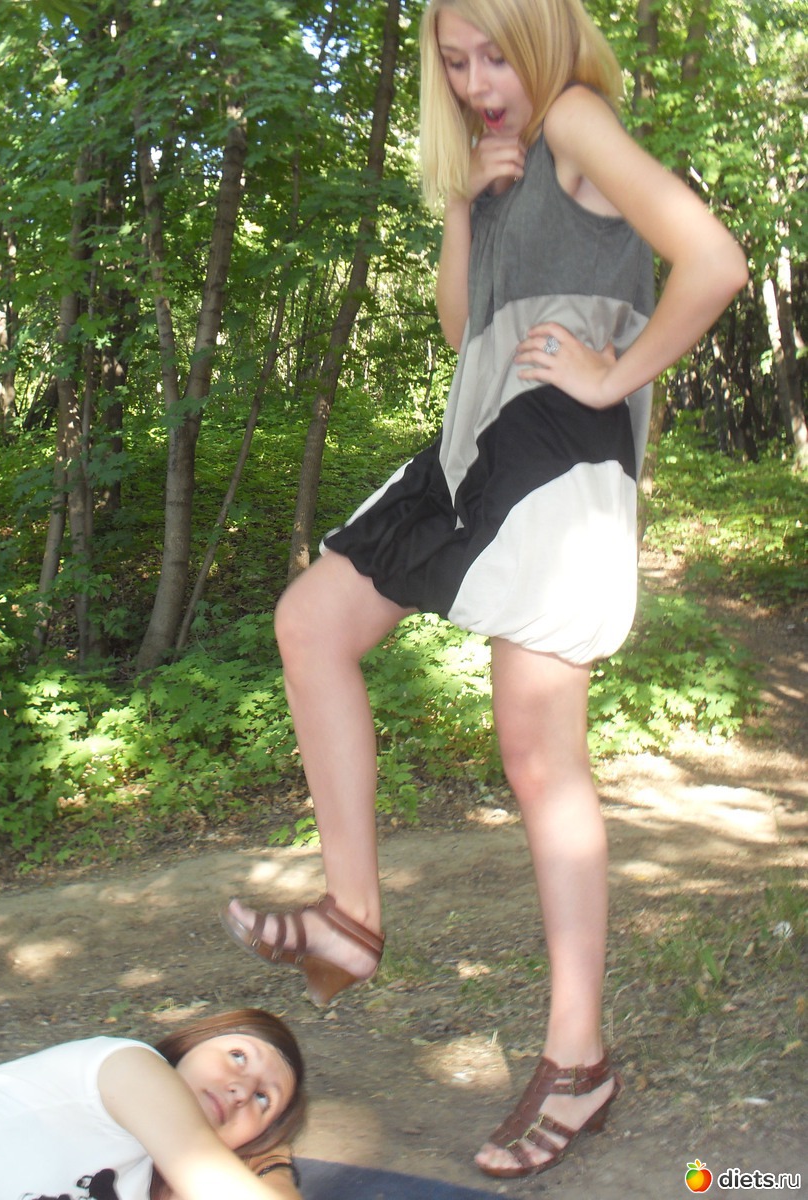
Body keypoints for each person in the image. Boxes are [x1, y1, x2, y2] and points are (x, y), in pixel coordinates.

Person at [223, 0, 748, 1183]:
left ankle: (579, 1057)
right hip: (477, 433)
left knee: (538, 754)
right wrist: (466, 199)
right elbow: (466, 328)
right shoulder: (506, 161)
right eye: (454, 62)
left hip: (556, 441)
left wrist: (617, 372)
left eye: (494, 53)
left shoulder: (578, 119)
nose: (474, 82)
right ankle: (352, 916)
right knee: (312, 621)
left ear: (546, 32)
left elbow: (715, 262)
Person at [0, 1008, 305, 1200]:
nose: (241, 1090)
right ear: (193, 1043)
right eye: (238, 1056)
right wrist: (273, 1165)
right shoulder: (129, 1068)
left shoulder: (139, 1181)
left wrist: (268, 1163)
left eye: (263, 1098)